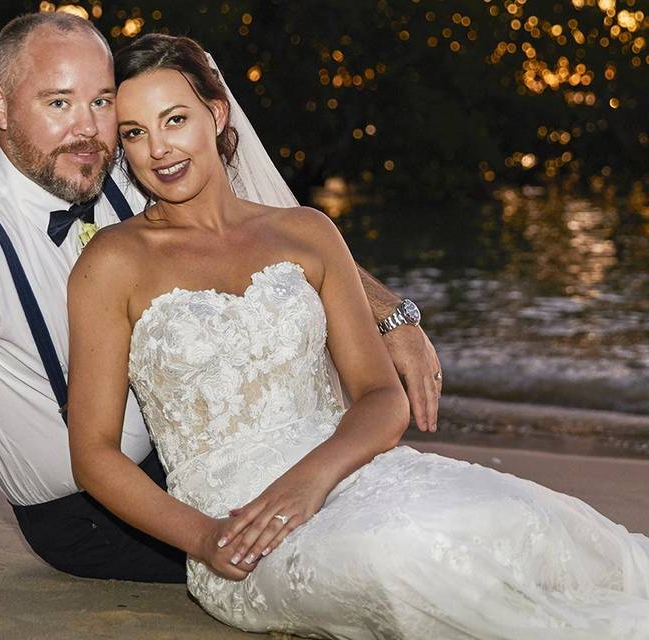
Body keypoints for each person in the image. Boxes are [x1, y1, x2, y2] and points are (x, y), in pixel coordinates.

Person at [0, 13, 441, 629]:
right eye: (57, 104)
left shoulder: (115, 162)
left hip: (203, 457)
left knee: (404, 507)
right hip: (92, 515)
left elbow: (261, 236)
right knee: (350, 557)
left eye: (99, 104)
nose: (88, 130)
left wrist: (392, 315)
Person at [67, 33, 649, 639]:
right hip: (240, 529)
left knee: (521, 522)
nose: (159, 148)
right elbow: (94, 454)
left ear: (216, 115)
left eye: (175, 119)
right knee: (403, 560)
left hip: (357, 472)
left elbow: (380, 396)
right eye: (134, 132)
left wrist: (310, 479)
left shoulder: (308, 233)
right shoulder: (113, 263)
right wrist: (206, 537)